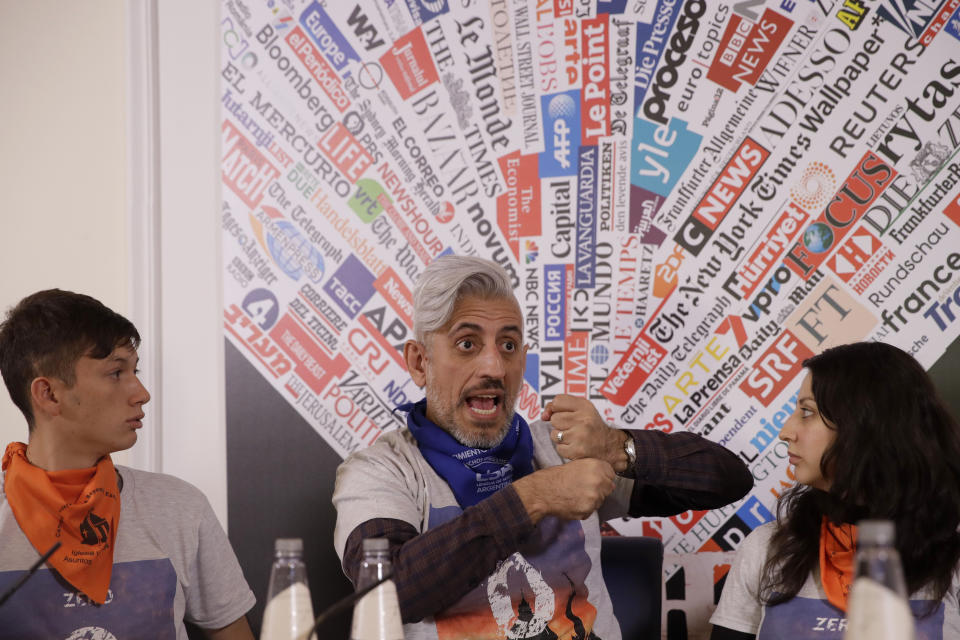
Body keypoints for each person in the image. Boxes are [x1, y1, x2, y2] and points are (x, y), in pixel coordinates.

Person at [333, 255, 753, 639]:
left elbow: (727, 480)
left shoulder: (560, 449)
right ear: (419, 362)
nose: (494, 367)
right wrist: (535, 497)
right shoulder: (381, 471)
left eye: (509, 345)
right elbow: (385, 593)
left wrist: (615, 445)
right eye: (467, 344)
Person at [0, 289, 256, 639]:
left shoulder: (180, 507)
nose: (141, 393)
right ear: (49, 395)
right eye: (116, 373)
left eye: (135, 370)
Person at [710, 341, 960, 639]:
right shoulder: (767, 548)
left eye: (807, 412)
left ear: (865, 427)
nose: (785, 432)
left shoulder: (953, 555)